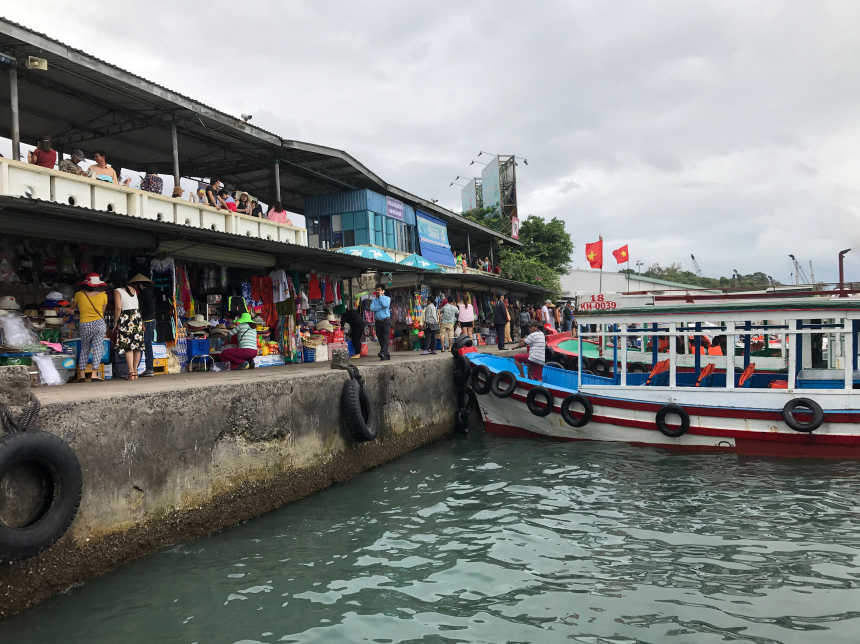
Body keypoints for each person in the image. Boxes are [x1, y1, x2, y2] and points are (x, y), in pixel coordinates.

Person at [73, 273, 108, 381]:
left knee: (84, 348)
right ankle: (94, 374)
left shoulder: (78, 295)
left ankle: (82, 375)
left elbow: (73, 308)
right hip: (99, 323)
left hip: (85, 324)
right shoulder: (103, 295)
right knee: (97, 349)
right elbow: (103, 310)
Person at [113, 279, 145, 381]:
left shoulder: (117, 291)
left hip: (126, 318)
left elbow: (118, 307)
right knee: (137, 346)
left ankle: (131, 372)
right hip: (136, 317)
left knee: (128, 347)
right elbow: (137, 306)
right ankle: (135, 372)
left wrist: (116, 322)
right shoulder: (134, 290)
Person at [130, 274, 156, 377]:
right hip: (149, 320)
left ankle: (149, 368)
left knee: (146, 344)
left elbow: (148, 308)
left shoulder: (145, 293)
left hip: (147, 321)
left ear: (140, 285)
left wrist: (139, 314)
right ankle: (147, 368)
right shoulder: (149, 292)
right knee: (146, 344)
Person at [370, 284, 391, 360]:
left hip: (386, 321)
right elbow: (372, 308)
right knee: (380, 338)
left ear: (383, 291)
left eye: (379, 290)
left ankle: (382, 352)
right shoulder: (374, 300)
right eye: (377, 290)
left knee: (385, 337)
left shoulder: (387, 298)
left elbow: (385, 305)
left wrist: (381, 297)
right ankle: (386, 354)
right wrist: (380, 307)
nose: (377, 291)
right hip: (378, 322)